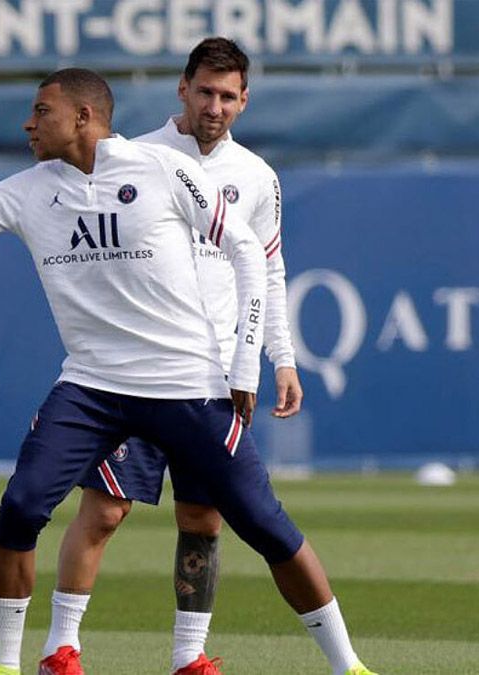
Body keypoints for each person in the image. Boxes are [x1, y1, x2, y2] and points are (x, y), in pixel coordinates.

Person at [0, 68, 374, 675]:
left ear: (84, 118)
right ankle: (7, 665)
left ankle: (347, 665)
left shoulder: (160, 170)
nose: (28, 123)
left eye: (42, 110)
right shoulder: (29, 190)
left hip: (186, 386)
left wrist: (247, 361)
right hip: (92, 388)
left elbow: (247, 251)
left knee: (265, 525)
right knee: (20, 508)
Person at [40, 38, 316, 675]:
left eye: (228, 96)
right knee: (105, 508)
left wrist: (282, 357)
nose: (215, 106)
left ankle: (188, 657)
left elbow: (268, 269)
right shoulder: (135, 158)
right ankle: (61, 648)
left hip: (214, 376)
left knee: (203, 516)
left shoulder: (256, 177)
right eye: (205, 92)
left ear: (244, 101)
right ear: (182, 90)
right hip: (139, 367)